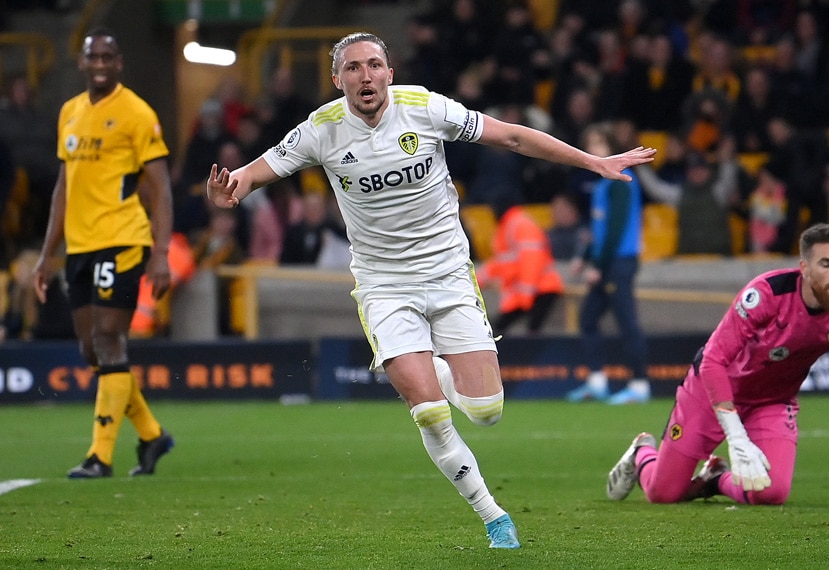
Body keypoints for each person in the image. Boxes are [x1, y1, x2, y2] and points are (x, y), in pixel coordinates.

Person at [205, 32, 655, 549]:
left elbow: (509, 136)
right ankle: (493, 517)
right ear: (337, 80)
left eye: (374, 65)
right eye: (353, 69)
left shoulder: (424, 107)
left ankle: (434, 367)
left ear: (390, 73)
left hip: (447, 273)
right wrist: (226, 191)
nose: (365, 76)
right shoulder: (321, 130)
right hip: (383, 284)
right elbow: (246, 176)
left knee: (486, 411)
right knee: (432, 412)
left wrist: (593, 162)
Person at [605, 223, 829, 507]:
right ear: (804, 268)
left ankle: (714, 479)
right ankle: (642, 452)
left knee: (771, 494)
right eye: (827, 264)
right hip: (711, 394)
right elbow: (713, 360)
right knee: (663, 494)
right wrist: (736, 437)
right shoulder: (766, 295)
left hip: (772, 401)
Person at [31, 28, 175, 478]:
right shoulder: (70, 113)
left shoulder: (136, 113)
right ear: (82, 62)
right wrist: (46, 253)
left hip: (123, 238)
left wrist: (161, 252)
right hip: (80, 245)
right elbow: (63, 187)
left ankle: (100, 456)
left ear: (119, 63)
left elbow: (161, 188)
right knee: (92, 351)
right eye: (93, 57)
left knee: (109, 339)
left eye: (108, 57)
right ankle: (152, 435)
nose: (100, 64)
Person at [565, 125, 651, 405]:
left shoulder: (621, 179)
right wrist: (586, 256)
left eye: (600, 143)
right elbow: (599, 229)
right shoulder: (605, 182)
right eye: (590, 144)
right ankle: (597, 383)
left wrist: (598, 265)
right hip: (608, 261)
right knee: (589, 318)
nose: (594, 150)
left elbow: (615, 229)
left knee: (627, 322)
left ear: (612, 145)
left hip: (619, 262)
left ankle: (639, 385)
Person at [476, 196, 564, 336]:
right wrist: (477, 279)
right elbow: (502, 261)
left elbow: (532, 260)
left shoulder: (519, 224)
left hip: (540, 289)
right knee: (503, 329)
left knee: (529, 333)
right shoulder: (509, 225)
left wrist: (526, 295)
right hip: (530, 291)